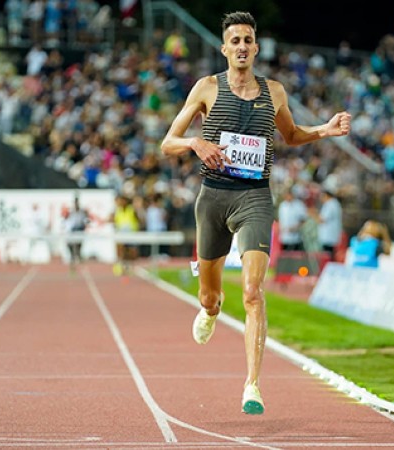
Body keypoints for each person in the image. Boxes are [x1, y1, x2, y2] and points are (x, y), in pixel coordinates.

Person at [160, 11, 350, 415]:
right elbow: (168, 142)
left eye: (249, 40)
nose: (242, 47)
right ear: (224, 48)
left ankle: (252, 385)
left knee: (252, 292)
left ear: (256, 48)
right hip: (213, 198)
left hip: (254, 199)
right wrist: (196, 143)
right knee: (211, 296)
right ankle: (210, 309)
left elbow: (292, 135)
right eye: (236, 41)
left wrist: (325, 130)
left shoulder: (274, 92)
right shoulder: (207, 88)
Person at [313, 189, 342, 261]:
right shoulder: (331, 204)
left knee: (328, 256)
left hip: (329, 236)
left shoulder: (331, 205)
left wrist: (312, 213)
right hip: (328, 236)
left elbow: (322, 220)